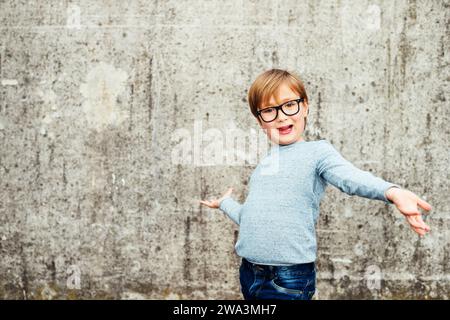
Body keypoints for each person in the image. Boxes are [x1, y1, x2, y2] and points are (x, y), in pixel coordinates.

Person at [199, 69, 432, 300]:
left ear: (306, 106)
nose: (281, 116)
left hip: (288, 277)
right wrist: (225, 203)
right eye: (269, 111)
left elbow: (350, 177)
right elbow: (251, 218)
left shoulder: (317, 153)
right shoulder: (265, 164)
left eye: (289, 105)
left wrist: (391, 191)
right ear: (260, 121)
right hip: (249, 272)